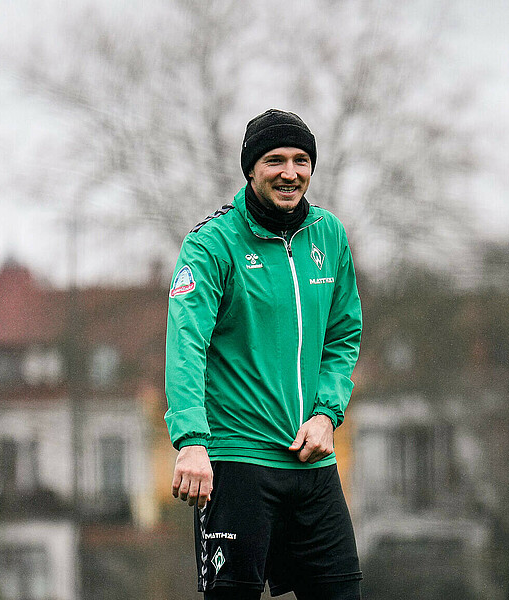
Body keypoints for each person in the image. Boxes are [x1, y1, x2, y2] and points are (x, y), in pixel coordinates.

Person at [164, 109, 363, 600]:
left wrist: (326, 414)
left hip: (313, 463)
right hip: (237, 463)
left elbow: (342, 335)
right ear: (250, 169)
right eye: (275, 160)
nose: (290, 173)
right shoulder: (211, 244)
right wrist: (190, 440)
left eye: (301, 160)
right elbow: (186, 345)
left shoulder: (330, 236)